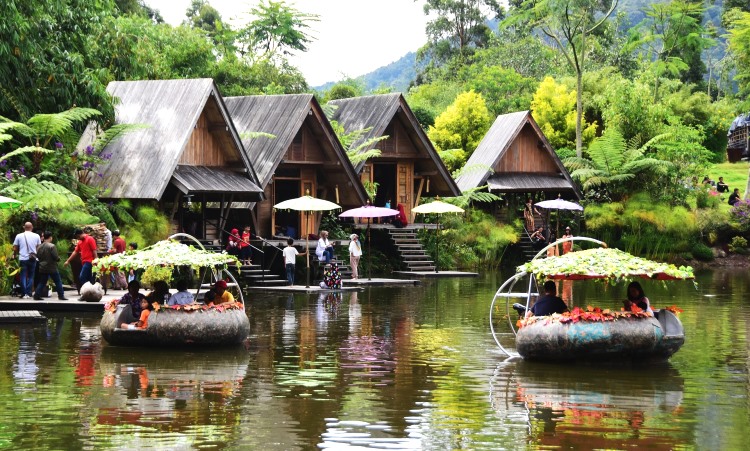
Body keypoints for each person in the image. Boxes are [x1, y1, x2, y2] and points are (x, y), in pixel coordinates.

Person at [33, 231, 68, 300]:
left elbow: (38, 256)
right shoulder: (52, 246)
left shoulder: (39, 247)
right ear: (50, 237)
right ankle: (61, 295)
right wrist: (58, 259)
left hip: (42, 267)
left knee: (42, 282)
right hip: (52, 267)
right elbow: (55, 257)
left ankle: (36, 295)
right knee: (58, 281)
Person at [13, 222, 42, 299]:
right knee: (31, 276)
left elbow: (15, 248)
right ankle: (29, 293)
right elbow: (39, 247)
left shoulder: (19, 236)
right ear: (32, 227)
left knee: (23, 276)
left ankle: (23, 293)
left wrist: (15, 254)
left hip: (23, 258)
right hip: (32, 258)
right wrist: (34, 252)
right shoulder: (36, 236)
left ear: (24, 227)